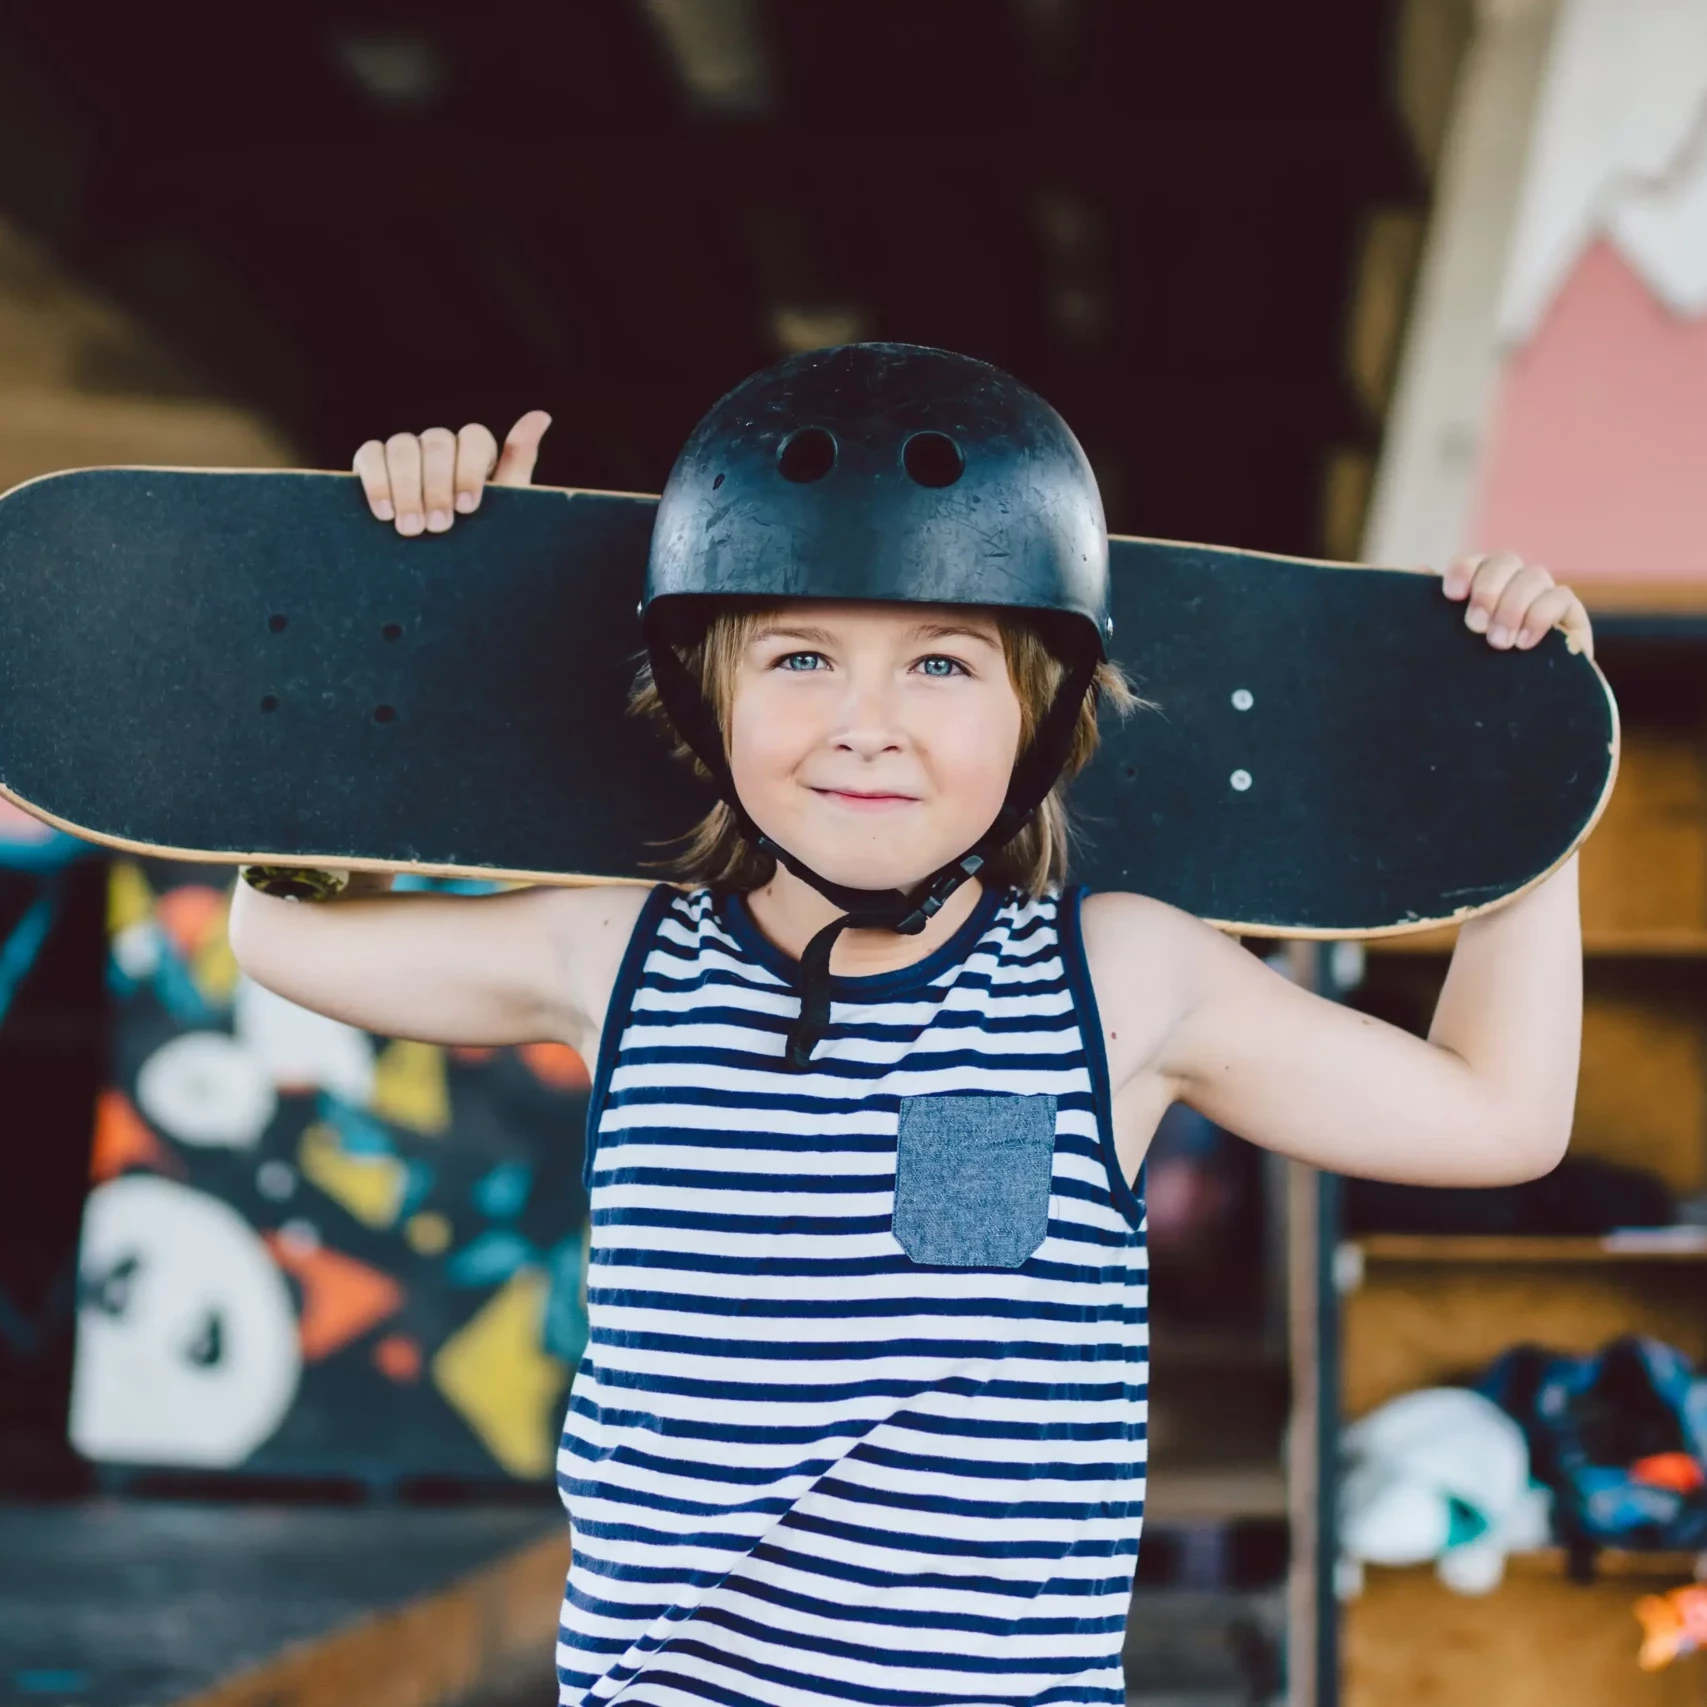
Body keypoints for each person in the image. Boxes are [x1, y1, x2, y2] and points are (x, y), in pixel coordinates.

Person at [228, 345, 1592, 1705]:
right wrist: (408, 608)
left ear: (1039, 717)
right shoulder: (620, 955)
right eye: (802, 655)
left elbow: (1498, 1116)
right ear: (707, 694)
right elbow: (279, 933)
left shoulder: (1113, 986)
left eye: (941, 663)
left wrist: (1533, 766)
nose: (863, 725)